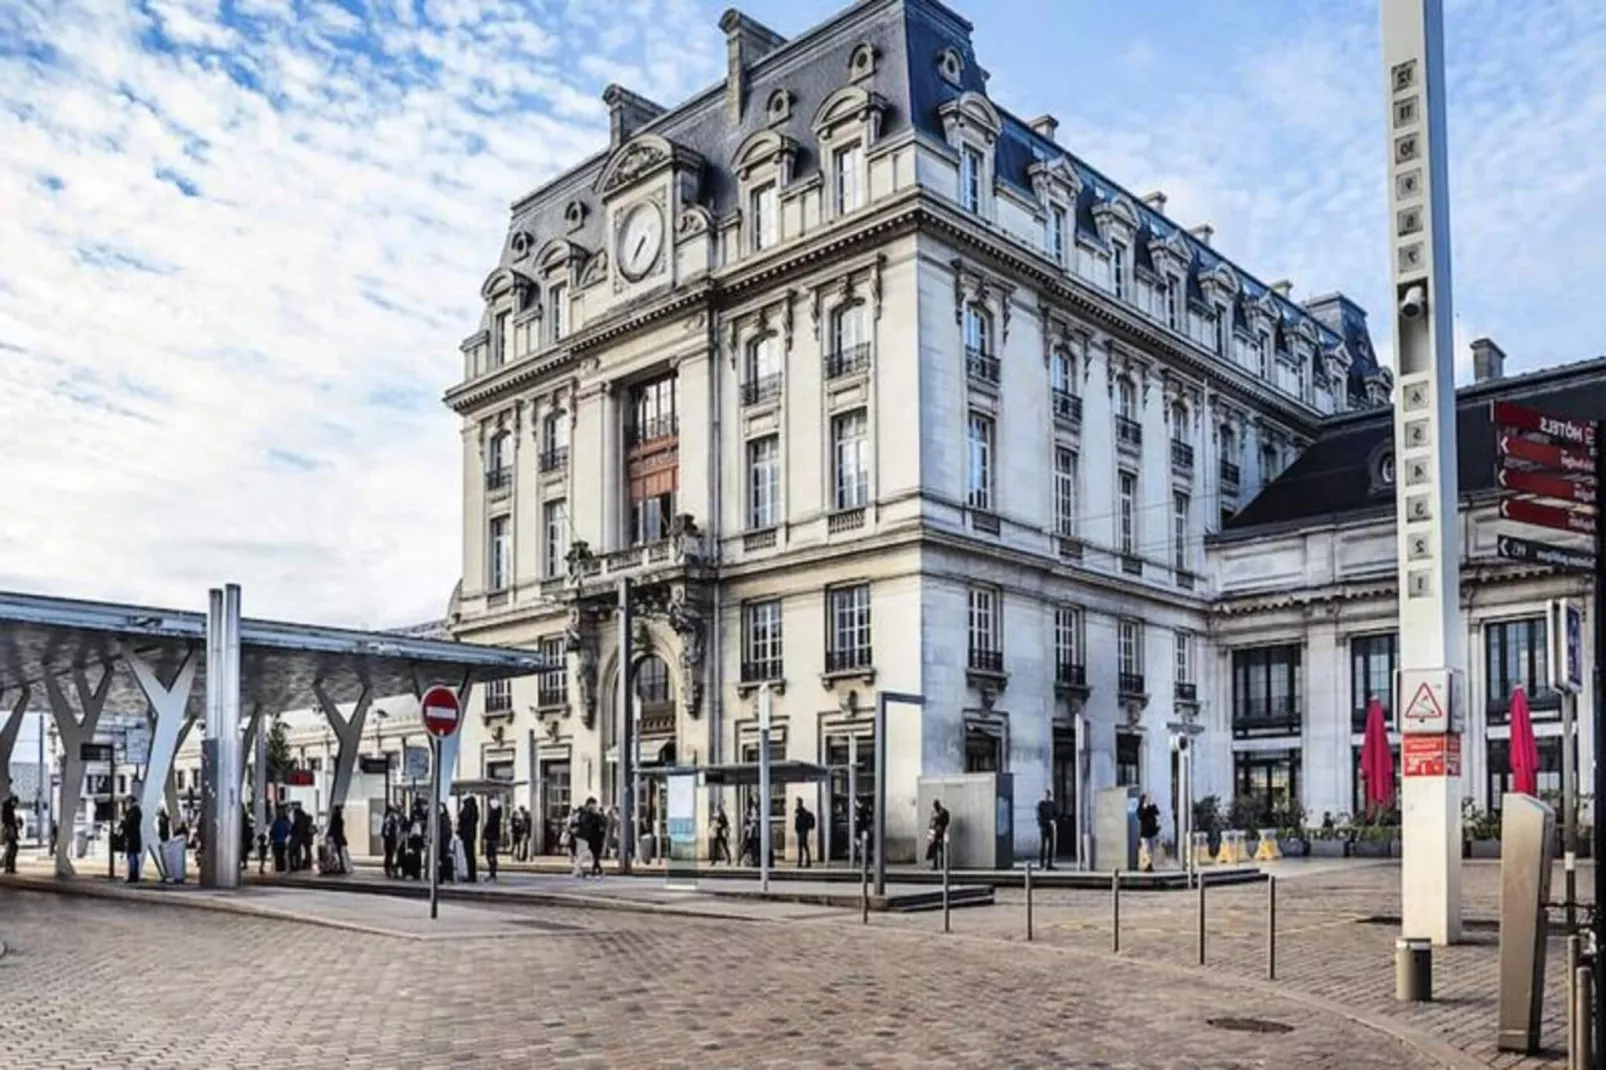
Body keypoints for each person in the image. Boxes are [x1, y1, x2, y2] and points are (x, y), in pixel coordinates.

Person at [121, 797, 144, 883]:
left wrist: (124, 821)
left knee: (131, 856)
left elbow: (128, 824)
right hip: (135, 836)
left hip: (132, 837)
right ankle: (135, 875)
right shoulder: (137, 811)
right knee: (133, 856)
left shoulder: (132, 812)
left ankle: (133, 875)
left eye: (128, 802)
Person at [1137, 793, 1161, 873]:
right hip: (1144, 833)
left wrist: (1153, 805)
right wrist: (1144, 807)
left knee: (1152, 849)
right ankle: (1148, 864)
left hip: (1152, 832)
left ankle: (1150, 865)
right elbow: (1140, 816)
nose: (1147, 801)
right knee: (1147, 849)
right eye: (1145, 799)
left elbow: (1157, 812)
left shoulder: (1152, 807)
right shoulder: (1141, 807)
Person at [457, 796, 479, 883]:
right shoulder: (474, 810)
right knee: (471, 856)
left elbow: (463, 818)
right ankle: (472, 875)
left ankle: (471, 876)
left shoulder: (468, 809)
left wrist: (460, 815)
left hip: (467, 835)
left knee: (469, 856)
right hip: (471, 835)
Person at [1036, 789, 1058, 870]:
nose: (1047, 797)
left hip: (1051, 827)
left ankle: (1049, 864)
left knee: (1051, 846)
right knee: (1043, 845)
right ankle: (1041, 864)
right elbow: (1039, 817)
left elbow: (1056, 814)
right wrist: (1048, 821)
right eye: (1045, 795)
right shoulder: (1040, 804)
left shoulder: (1052, 804)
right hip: (1043, 827)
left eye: (1048, 795)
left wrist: (1054, 820)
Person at [583, 797, 605, 878]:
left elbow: (603, 823)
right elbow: (586, 824)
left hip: (598, 837)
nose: (594, 806)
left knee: (596, 854)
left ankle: (596, 868)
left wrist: (599, 815)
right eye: (592, 804)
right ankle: (597, 869)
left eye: (594, 804)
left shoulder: (597, 814)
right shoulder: (586, 814)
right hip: (591, 837)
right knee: (595, 854)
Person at [925, 800, 950, 870]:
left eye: (936, 806)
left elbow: (946, 822)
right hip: (934, 833)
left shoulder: (944, 812)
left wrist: (941, 828)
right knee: (934, 849)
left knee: (942, 850)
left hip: (941, 833)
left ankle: (943, 865)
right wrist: (930, 835)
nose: (935, 807)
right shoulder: (934, 812)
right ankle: (935, 865)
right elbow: (931, 824)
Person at [483, 797, 503, 881]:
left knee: (490, 855)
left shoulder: (493, 815)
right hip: (494, 837)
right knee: (492, 855)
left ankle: (492, 873)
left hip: (491, 838)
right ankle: (492, 873)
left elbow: (489, 826)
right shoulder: (497, 814)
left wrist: (485, 834)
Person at [326, 805, 348, 875]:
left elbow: (332, 829)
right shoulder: (341, 819)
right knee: (339, 853)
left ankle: (336, 867)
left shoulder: (334, 819)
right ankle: (342, 867)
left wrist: (328, 835)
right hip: (340, 838)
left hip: (335, 839)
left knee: (334, 853)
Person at [793, 799, 815, 868]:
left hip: (803, 830)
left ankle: (806, 861)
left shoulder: (803, 811)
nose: (797, 804)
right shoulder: (797, 811)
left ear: (800, 803)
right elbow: (796, 821)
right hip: (800, 830)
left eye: (797, 802)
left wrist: (808, 827)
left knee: (804, 845)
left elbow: (801, 820)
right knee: (801, 846)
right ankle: (802, 862)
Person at [269, 808, 292, 873]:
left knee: (278, 856)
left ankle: (278, 868)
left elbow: (271, 832)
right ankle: (281, 868)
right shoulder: (285, 823)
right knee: (281, 856)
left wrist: (271, 839)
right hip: (282, 842)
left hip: (276, 842)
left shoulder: (275, 823)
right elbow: (288, 832)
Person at [1, 795, 19, 874]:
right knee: (12, 849)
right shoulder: (9, 812)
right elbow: (11, 823)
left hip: (9, 830)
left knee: (11, 848)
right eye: (15, 803)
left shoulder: (7, 810)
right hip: (10, 831)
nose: (15, 805)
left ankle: (9, 866)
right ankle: (9, 867)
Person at [381, 806, 400, 878]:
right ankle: (391, 870)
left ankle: (390, 870)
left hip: (388, 840)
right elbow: (387, 832)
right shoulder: (390, 820)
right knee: (390, 856)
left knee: (389, 856)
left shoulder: (387, 820)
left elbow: (384, 832)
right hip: (391, 840)